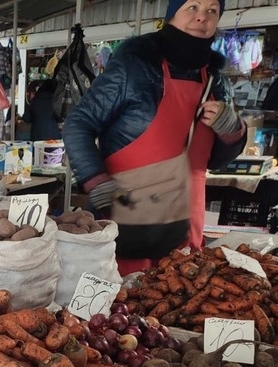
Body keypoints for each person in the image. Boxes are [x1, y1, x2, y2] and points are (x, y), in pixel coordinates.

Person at [62, 0, 245, 276]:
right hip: (132, 210)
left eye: (212, 11)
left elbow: (215, 160)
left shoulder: (216, 81)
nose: (202, 18)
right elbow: (77, 124)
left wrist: (233, 131)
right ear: (171, 15)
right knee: (123, 307)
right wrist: (96, 181)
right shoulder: (134, 67)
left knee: (181, 298)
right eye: (192, 7)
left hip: (187, 217)